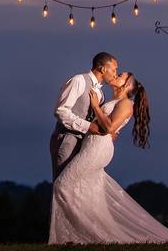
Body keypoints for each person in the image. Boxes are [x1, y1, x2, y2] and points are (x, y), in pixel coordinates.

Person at [48, 71, 168, 244]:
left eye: (121, 75)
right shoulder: (110, 101)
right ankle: (81, 237)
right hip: (91, 145)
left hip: (97, 149)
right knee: (89, 191)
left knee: (63, 184)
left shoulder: (126, 104)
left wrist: (95, 106)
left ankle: (89, 234)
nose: (116, 75)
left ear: (127, 85)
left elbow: (109, 127)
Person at [49, 52, 118, 181]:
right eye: (114, 69)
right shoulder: (78, 80)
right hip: (67, 139)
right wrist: (89, 126)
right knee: (62, 184)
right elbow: (61, 111)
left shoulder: (101, 94)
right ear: (102, 69)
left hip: (85, 146)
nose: (115, 74)